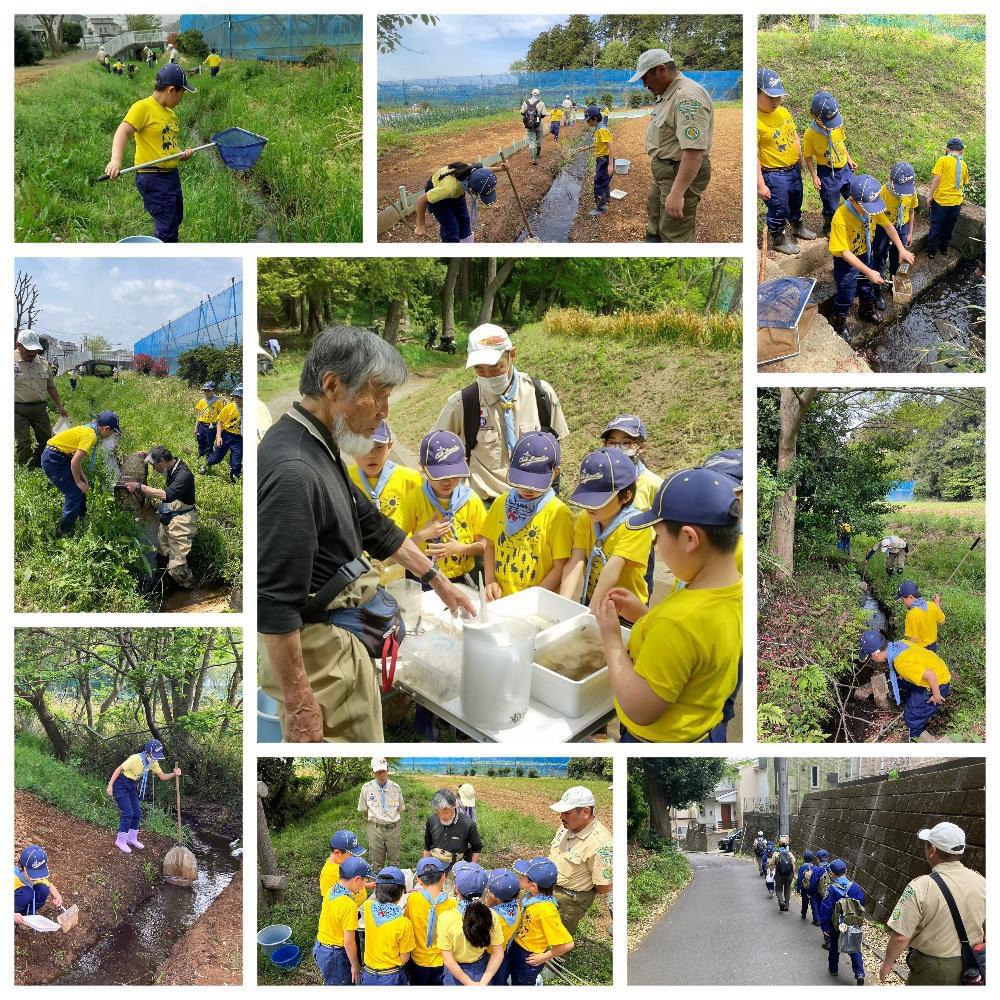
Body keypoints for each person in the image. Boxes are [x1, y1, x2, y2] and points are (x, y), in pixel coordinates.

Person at [257, 328, 476, 743]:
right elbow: (273, 603)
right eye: (377, 394)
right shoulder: (294, 470)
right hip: (321, 661)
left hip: (337, 646)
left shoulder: (315, 441)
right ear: (332, 385)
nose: (384, 410)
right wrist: (301, 704)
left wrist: (438, 581)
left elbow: (371, 524)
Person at [595, 468, 742, 743]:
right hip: (706, 730)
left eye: (658, 537)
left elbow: (640, 709)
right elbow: (695, 649)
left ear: (689, 538)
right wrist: (645, 617)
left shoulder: (677, 621)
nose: (657, 546)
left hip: (657, 742)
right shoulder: (736, 589)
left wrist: (611, 637)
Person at [436, 325, 568, 505]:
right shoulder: (461, 404)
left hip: (535, 503)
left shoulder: (541, 394)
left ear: (512, 355)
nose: (488, 375)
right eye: (480, 369)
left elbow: (555, 450)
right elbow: (436, 456)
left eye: (496, 367)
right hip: (485, 505)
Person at [880, 822, 985, 986]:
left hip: (933, 970)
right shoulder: (982, 882)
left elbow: (901, 937)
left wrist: (887, 964)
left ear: (932, 851)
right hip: (972, 966)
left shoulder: (921, 886)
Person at [104, 64, 196, 243]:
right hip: (153, 177)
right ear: (171, 90)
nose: (181, 98)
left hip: (172, 175)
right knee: (167, 224)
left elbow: (166, 145)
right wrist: (115, 160)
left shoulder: (170, 114)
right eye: (182, 93)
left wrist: (180, 154)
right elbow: (123, 131)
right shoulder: (143, 107)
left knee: (176, 217)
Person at [629, 48, 713, 243]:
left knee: (675, 233)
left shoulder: (686, 97)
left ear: (661, 70)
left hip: (678, 172)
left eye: (645, 79)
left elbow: (693, 152)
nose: (645, 85)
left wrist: (677, 194)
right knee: (656, 219)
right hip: (666, 172)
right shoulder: (670, 93)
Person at [481, 431, 573, 600]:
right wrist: (490, 580)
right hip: (500, 598)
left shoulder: (558, 514)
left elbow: (560, 566)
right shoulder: (501, 503)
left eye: (536, 483)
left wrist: (532, 599)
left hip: (537, 604)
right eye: (522, 481)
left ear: (555, 473)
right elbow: (490, 546)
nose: (528, 489)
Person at [561, 448, 652, 612]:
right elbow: (575, 561)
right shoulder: (585, 518)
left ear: (626, 496)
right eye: (587, 497)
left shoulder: (636, 525)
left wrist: (592, 609)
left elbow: (612, 569)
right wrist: (562, 604)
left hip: (625, 609)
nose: (589, 506)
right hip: (593, 598)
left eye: (598, 500)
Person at [827, 174, 915, 337]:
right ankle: (840, 321)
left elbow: (888, 226)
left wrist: (901, 249)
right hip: (846, 260)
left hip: (866, 252)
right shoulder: (840, 218)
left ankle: (866, 310)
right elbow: (845, 253)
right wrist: (868, 271)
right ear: (853, 200)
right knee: (846, 291)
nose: (872, 212)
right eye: (869, 207)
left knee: (867, 285)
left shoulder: (872, 208)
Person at [397, 430, 486, 590]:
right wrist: (422, 535)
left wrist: (462, 548)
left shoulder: (471, 500)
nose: (447, 481)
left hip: (462, 578)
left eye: (453, 474)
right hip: (422, 577)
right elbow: (395, 546)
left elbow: (486, 545)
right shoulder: (414, 499)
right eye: (439, 475)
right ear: (424, 468)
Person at [601, 416, 663, 602]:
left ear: (641, 447)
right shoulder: (600, 476)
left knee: (633, 603)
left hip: (638, 556)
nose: (618, 448)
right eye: (612, 442)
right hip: (602, 546)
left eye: (626, 443)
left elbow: (661, 522)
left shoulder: (654, 484)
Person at [756, 68, 815, 256]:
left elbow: (794, 136)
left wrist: (800, 159)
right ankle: (779, 238)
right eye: (770, 97)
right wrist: (760, 184)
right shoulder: (755, 120)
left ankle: (797, 226)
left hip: (793, 169)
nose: (775, 102)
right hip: (774, 174)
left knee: (796, 200)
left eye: (778, 97)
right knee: (779, 206)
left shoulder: (783, 112)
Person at [126, 445, 198, 590]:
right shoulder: (170, 464)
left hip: (183, 519)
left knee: (176, 564)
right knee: (164, 549)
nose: (154, 469)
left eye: (155, 465)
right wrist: (145, 455)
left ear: (163, 461)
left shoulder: (184, 475)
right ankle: (165, 577)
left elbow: (167, 495)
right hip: (171, 512)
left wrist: (139, 487)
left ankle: (186, 587)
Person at [42, 410, 121, 538]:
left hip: (60, 455)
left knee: (82, 486)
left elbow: (74, 457)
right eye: (113, 432)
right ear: (106, 429)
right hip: (54, 459)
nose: (111, 435)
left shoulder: (90, 428)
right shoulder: (91, 436)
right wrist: (78, 482)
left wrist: (82, 477)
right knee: (74, 492)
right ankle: (63, 532)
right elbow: (74, 461)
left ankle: (81, 516)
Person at [859, 629, 950, 740]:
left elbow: (930, 675)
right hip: (938, 668)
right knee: (899, 680)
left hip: (937, 683)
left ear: (876, 654)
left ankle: (915, 736)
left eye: (870, 657)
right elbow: (914, 656)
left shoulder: (900, 663)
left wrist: (936, 695)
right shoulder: (900, 644)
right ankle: (911, 699)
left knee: (910, 716)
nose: (871, 659)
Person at [548, 786, 612, 935]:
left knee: (559, 936)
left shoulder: (602, 843)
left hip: (569, 900)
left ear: (585, 812)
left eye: (567, 813)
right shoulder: (566, 827)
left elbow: (603, 886)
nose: (561, 817)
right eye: (561, 812)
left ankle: (558, 957)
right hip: (548, 888)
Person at [105, 739, 181, 853]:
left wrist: (174, 774)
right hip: (121, 784)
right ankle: (120, 840)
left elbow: (162, 776)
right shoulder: (135, 759)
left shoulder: (153, 762)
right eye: (154, 755)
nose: (155, 758)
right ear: (147, 752)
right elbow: (119, 769)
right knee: (128, 812)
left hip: (131, 785)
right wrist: (110, 786)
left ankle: (131, 839)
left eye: (157, 756)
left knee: (137, 813)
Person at [436, 863, 506, 985]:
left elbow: (448, 960)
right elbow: (498, 954)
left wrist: (469, 984)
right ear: (484, 890)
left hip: (455, 973)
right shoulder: (491, 915)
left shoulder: (446, 918)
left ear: (456, 888)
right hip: (481, 970)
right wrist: (483, 982)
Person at [509, 857, 574, 985]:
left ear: (533, 886)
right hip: (518, 945)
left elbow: (567, 944)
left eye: (523, 876)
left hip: (528, 957)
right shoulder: (532, 897)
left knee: (522, 983)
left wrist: (543, 957)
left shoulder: (546, 911)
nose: (519, 877)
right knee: (514, 975)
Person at [802, 90, 856, 235]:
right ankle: (828, 226)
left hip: (844, 168)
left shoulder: (836, 123)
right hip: (827, 172)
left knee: (854, 195)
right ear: (814, 116)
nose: (832, 125)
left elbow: (841, 143)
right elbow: (807, 156)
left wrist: (849, 159)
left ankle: (852, 220)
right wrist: (814, 175)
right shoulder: (810, 134)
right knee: (830, 202)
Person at [348, 420, 421, 527]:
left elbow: (421, 521)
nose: (371, 455)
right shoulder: (344, 478)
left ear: (390, 446)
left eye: (378, 447)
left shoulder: (410, 479)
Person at [315, 854, 373, 985]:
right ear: (357, 879)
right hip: (335, 954)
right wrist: (355, 965)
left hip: (321, 946)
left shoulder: (332, 890)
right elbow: (349, 943)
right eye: (365, 880)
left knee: (332, 981)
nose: (365, 884)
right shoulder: (348, 905)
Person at [413, 162, 505, 244]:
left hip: (455, 191)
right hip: (438, 192)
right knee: (451, 227)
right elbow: (421, 200)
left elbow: (483, 172)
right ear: (472, 190)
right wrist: (420, 225)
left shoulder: (473, 172)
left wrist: (500, 169)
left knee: (464, 221)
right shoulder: (449, 189)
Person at [15, 328, 68, 468]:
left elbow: (51, 387)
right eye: (28, 350)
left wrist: (60, 406)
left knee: (46, 440)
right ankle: (22, 468)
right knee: (23, 443)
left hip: (39, 408)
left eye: (35, 350)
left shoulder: (43, 363)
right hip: (17, 409)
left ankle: (38, 463)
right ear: (18, 345)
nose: (33, 354)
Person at [404, 857, 456, 985]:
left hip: (417, 959)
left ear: (419, 880)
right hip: (442, 960)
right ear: (443, 877)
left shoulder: (413, 898)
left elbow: (407, 922)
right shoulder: (452, 904)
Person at [872, 163, 918, 307]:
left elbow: (911, 211)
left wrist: (910, 232)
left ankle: (893, 284)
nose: (903, 193)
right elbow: (881, 222)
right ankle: (877, 290)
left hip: (901, 225)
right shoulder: (881, 194)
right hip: (883, 228)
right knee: (879, 256)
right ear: (891, 179)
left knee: (897, 258)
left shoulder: (911, 191)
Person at [361, 867, 416, 986]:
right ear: (402, 892)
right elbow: (405, 958)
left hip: (368, 973)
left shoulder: (368, 907)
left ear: (376, 889)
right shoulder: (403, 923)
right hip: (391, 976)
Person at [820, 858, 867, 984]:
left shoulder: (832, 889)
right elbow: (862, 902)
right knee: (854, 946)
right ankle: (859, 972)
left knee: (834, 945)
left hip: (837, 925)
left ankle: (833, 969)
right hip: (852, 922)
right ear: (845, 871)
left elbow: (826, 909)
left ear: (832, 874)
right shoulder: (855, 887)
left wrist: (825, 927)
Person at [357, 758, 405, 869]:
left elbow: (400, 808)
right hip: (375, 829)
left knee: (394, 861)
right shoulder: (366, 789)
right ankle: (379, 883)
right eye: (378, 772)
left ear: (387, 771)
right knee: (377, 862)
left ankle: (394, 882)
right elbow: (364, 810)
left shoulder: (395, 788)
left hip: (393, 829)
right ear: (372, 772)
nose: (381, 775)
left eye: (383, 771)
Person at [926, 138, 970, 259]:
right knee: (949, 227)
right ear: (961, 151)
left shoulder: (943, 160)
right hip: (956, 203)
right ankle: (944, 249)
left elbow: (936, 179)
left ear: (947, 149)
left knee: (936, 226)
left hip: (941, 202)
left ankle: (931, 251)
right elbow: (964, 182)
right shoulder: (964, 164)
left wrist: (930, 196)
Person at [424, 789, 482, 872]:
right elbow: (427, 846)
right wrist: (425, 865)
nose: (442, 816)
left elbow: (477, 848)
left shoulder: (468, 824)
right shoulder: (432, 820)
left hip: (455, 866)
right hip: (434, 863)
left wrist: (472, 868)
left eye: (446, 812)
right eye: (438, 812)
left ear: (454, 805)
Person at [483, 868, 522, 986]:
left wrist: (487, 904)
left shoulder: (492, 917)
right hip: (503, 950)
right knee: (500, 979)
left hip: (489, 954)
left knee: (490, 980)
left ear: (495, 896)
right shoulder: (517, 906)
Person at [13, 845, 65, 927]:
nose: (37, 878)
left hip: (24, 906)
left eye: (39, 874)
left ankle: (28, 916)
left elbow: (49, 885)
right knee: (27, 893)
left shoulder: (38, 877)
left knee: (43, 888)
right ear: (22, 866)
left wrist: (57, 896)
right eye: (33, 874)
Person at [203, 384, 242, 482]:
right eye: (235, 396)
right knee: (216, 458)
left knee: (236, 463)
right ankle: (206, 465)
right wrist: (219, 437)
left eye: (240, 397)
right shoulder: (229, 407)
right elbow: (220, 423)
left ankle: (234, 481)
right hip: (226, 435)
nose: (237, 399)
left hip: (239, 439)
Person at [582, 106, 613, 218]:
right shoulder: (598, 129)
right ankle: (607, 199)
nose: (587, 123)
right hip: (602, 158)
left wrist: (610, 164)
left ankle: (601, 208)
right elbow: (597, 144)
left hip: (604, 159)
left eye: (588, 120)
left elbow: (610, 146)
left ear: (594, 119)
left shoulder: (602, 130)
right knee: (604, 180)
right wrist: (583, 148)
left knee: (598, 183)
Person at [898, 580, 945, 652]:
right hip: (933, 647)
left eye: (903, 599)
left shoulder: (912, 615)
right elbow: (942, 621)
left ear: (910, 597)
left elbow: (913, 639)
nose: (903, 602)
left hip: (920, 650)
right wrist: (937, 603)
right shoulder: (932, 605)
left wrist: (906, 650)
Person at [194, 381, 223, 460]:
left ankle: (208, 456)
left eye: (208, 390)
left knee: (209, 442)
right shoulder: (202, 401)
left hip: (211, 426)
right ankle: (201, 453)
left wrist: (219, 430)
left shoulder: (218, 401)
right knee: (200, 440)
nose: (206, 392)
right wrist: (196, 427)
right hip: (201, 425)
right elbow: (199, 415)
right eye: (205, 390)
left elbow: (221, 417)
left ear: (213, 390)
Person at [520, 89, 548, 165]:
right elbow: (544, 114)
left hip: (529, 125)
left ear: (531, 94)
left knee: (532, 141)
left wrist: (529, 118)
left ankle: (533, 159)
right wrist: (537, 117)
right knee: (538, 140)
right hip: (538, 125)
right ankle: (538, 154)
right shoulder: (541, 103)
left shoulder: (526, 103)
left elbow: (522, 113)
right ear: (538, 95)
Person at [771, 836, 797, 912]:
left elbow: (772, 864)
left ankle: (781, 901)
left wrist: (771, 873)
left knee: (778, 889)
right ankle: (787, 905)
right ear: (786, 845)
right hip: (789, 875)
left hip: (779, 875)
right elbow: (793, 865)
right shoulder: (790, 854)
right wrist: (793, 875)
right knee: (787, 890)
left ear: (779, 844)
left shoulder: (776, 854)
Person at [810, 849, 831, 929]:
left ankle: (817, 920)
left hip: (818, 892)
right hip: (829, 892)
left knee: (815, 903)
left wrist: (810, 893)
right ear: (827, 858)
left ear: (818, 859)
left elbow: (813, 883)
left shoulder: (817, 870)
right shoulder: (831, 869)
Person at [796, 849, 817, 920]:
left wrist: (798, 889)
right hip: (813, 888)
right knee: (813, 902)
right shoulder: (815, 868)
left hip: (804, 888)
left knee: (804, 901)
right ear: (812, 859)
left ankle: (804, 913)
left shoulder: (802, 868)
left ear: (804, 858)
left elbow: (799, 879)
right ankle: (816, 918)